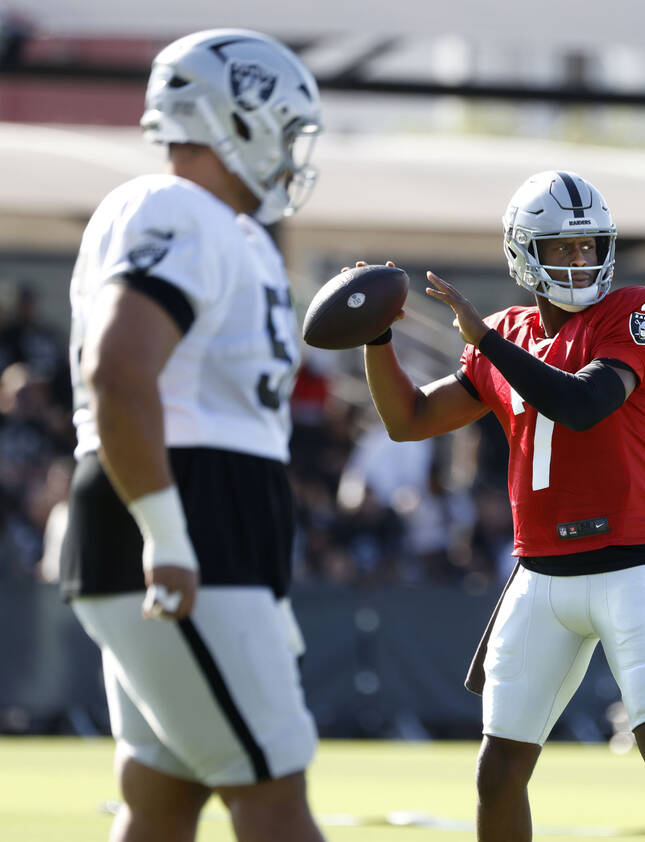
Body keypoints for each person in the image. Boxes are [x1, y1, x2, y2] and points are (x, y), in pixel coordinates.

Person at [359, 170, 645, 842]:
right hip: (542, 572)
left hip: (631, 563)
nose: (580, 261)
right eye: (563, 247)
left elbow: (585, 404)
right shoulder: (505, 332)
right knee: (498, 770)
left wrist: (488, 343)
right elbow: (407, 419)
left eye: (589, 246)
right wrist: (377, 340)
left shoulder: (638, 310)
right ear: (525, 252)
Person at [61, 29, 326, 842]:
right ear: (233, 120)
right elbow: (119, 371)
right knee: (273, 787)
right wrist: (169, 535)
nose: (290, 154)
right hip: (185, 510)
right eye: (283, 129)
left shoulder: (232, 230)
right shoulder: (175, 208)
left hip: (217, 514)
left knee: (164, 792)